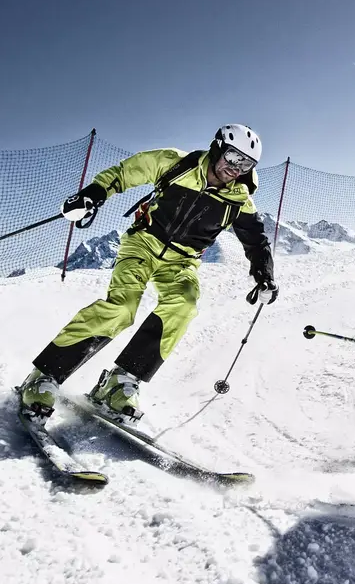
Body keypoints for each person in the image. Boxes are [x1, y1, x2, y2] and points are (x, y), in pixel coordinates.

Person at [18, 124, 277, 421]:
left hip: (182, 261)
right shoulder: (174, 163)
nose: (236, 168)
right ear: (217, 147)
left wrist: (264, 273)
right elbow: (125, 172)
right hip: (142, 244)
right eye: (233, 157)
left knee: (184, 304)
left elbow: (256, 240)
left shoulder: (240, 199)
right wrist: (94, 193)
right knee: (121, 309)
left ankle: (120, 383)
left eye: (246, 164)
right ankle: (44, 376)